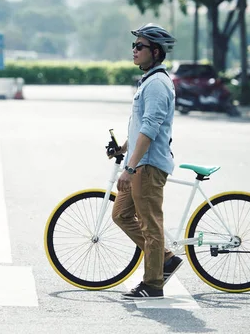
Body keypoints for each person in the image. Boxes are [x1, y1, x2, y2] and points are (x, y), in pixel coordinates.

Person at [108, 23, 183, 299]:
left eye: (139, 46)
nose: (134, 50)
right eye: (134, 46)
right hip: (139, 162)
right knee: (120, 214)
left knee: (151, 225)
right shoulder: (150, 81)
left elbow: (151, 129)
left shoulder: (157, 84)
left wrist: (129, 167)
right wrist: (124, 149)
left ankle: (153, 284)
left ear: (155, 51)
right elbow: (141, 126)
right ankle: (164, 258)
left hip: (148, 167)